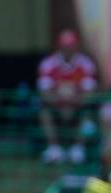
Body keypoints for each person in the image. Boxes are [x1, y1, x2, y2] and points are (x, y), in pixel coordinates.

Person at [37, 29, 97, 163]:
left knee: (88, 111)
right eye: (65, 46)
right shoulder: (48, 64)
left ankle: (78, 148)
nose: (68, 49)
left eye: (70, 45)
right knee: (44, 111)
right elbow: (44, 93)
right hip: (56, 106)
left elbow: (90, 94)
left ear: (76, 46)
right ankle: (54, 148)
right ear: (59, 46)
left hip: (78, 106)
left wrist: (72, 99)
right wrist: (61, 99)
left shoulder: (86, 63)